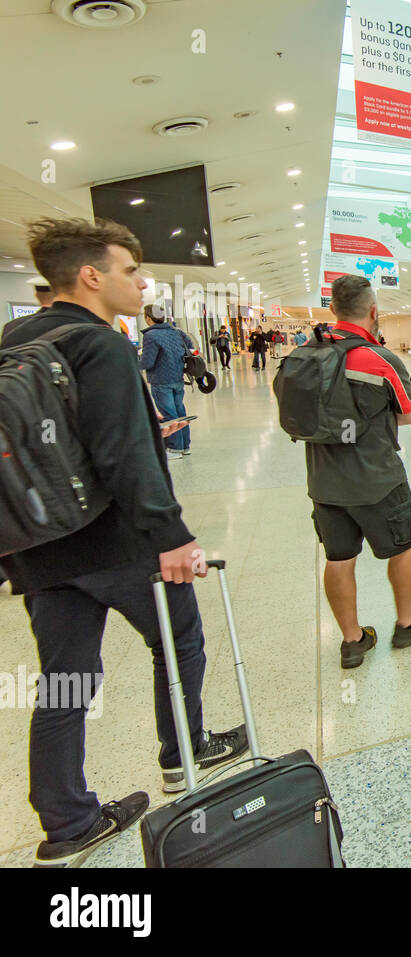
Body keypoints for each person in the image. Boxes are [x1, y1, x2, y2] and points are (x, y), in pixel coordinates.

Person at [2, 217, 247, 867]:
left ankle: (66, 821)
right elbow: (120, 454)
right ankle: (184, 750)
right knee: (180, 640)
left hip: (37, 546)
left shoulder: (13, 340)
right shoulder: (102, 345)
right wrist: (171, 536)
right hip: (117, 541)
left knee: (65, 680)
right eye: (130, 271)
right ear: (90, 276)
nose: (141, 283)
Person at [307, 275, 411, 668]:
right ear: (374, 312)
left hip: (323, 481)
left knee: (338, 557)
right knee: (404, 545)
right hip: (376, 478)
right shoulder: (378, 359)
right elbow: (409, 412)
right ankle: (406, 625)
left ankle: (352, 641)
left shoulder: (308, 354)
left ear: (333, 310)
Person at [140, 309, 193, 460]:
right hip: (178, 377)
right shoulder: (176, 332)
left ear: (148, 318)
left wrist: (136, 360)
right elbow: (190, 349)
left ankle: (175, 448)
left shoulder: (150, 335)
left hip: (161, 379)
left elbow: (147, 362)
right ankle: (185, 446)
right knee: (180, 410)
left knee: (168, 413)